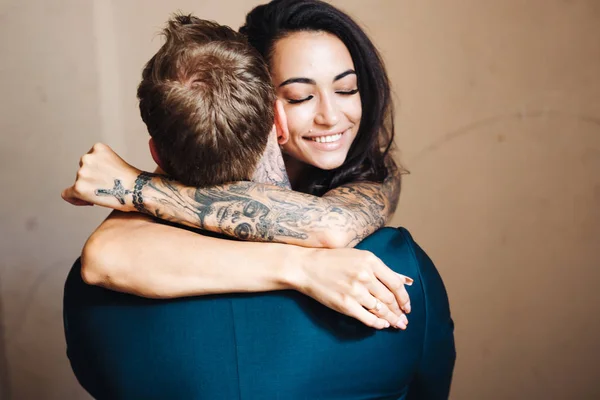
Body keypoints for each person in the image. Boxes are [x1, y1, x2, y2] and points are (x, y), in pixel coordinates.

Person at [63, 1, 455, 398]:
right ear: (268, 112)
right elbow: (105, 257)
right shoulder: (396, 266)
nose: (331, 116)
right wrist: (302, 267)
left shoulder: (372, 182)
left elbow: (333, 223)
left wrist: (136, 185)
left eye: (347, 88)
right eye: (301, 96)